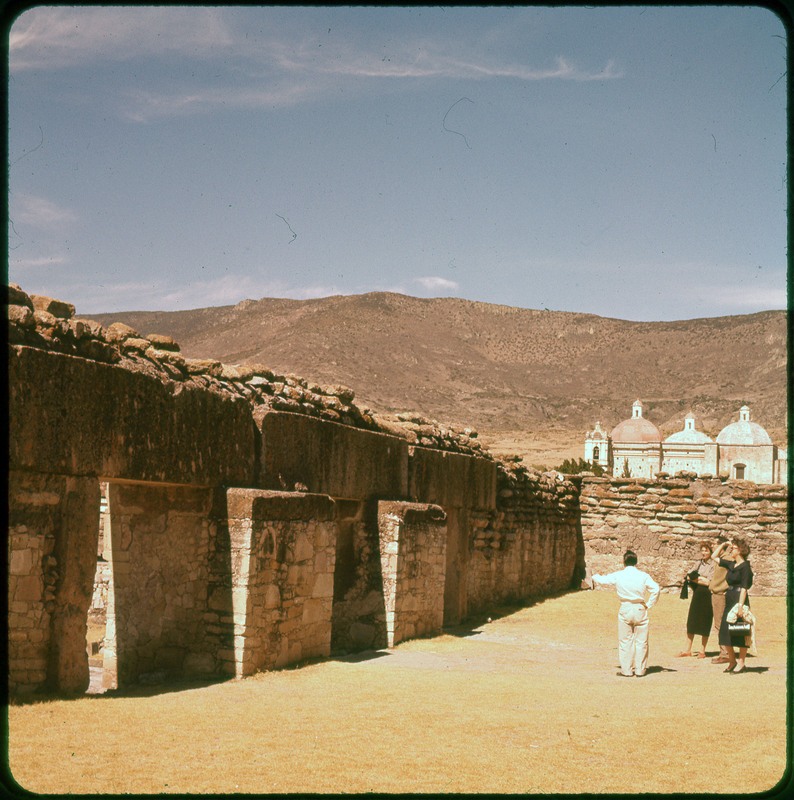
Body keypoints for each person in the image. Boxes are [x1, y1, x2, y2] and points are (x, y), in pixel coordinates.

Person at [592, 550, 660, 677]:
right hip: (640, 607)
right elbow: (656, 589)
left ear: (624, 561)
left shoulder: (619, 575)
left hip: (625, 607)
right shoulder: (643, 575)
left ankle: (627, 670)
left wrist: (594, 575)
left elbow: (604, 580)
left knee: (625, 641)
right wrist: (649, 604)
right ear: (636, 561)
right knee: (641, 641)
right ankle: (640, 670)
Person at [710, 538, 754, 673]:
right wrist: (724, 544)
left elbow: (744, 588)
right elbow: (714, 556)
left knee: (740, 631)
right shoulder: (731, 564)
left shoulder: (745, 567)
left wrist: (741, 606)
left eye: (733, 548)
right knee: (724, 631)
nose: (731, 550)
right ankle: (732, 660)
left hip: (739, 599)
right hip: (729, 599)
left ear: (740, 550)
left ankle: (741, 663)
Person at [677, 541, 714, 658]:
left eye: (706, 550)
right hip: (698, 594)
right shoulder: (698, 563)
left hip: (708, 595)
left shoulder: (714, 564)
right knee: (692, 621)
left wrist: (696, 578)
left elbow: (710, 582)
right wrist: (700, 579)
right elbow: (689, 575)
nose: (703, 553)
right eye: (702, 550)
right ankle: (687, 649)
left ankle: (702, 651)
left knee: (705, 621)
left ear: (711, 551)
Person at [708, 536, 731, 664]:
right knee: (719, 624)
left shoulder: (727, 559)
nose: (712, 546)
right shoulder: (723, 559)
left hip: (720, 594)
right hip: (717, 593)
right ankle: (725, 652)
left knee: (720, 624)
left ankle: (725, 653)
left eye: (714, 544)